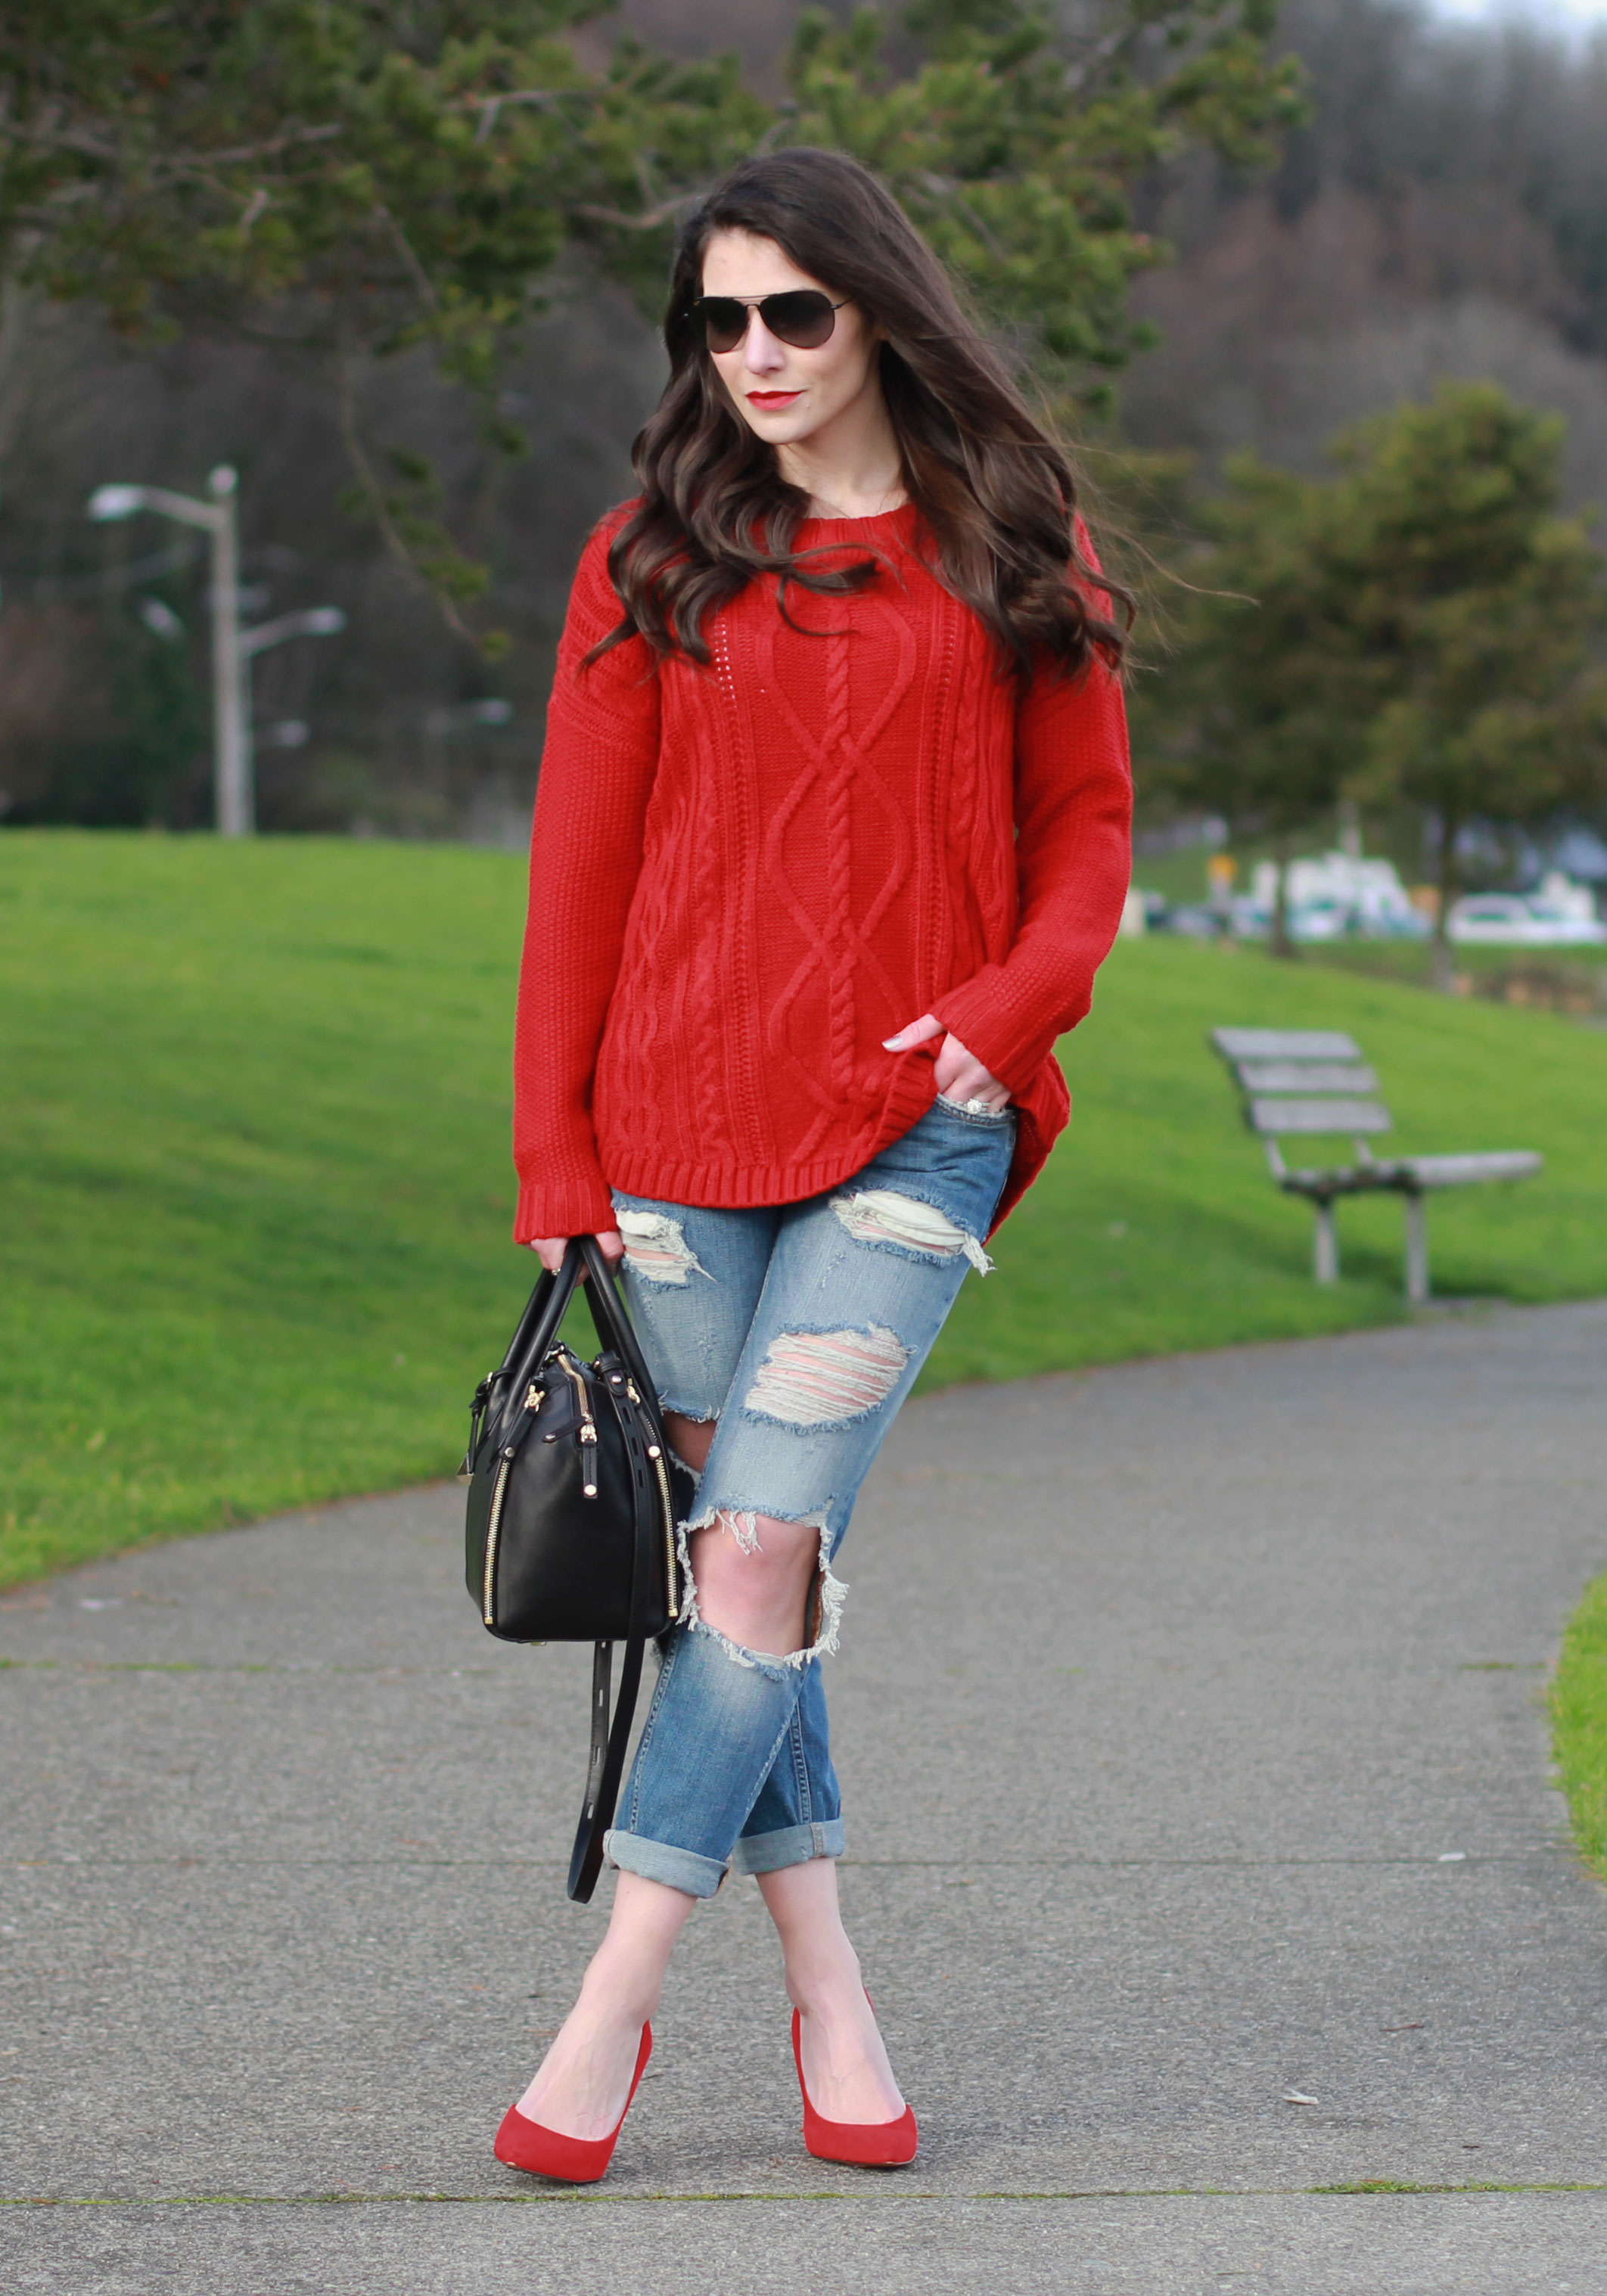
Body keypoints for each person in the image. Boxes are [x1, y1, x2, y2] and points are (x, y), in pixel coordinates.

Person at [494, 146, 1132, 2183]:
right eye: (718, 318)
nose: (752, 352)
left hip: (918, 1124)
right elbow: (575, 880)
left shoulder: (1016, 540)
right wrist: (553, 1148)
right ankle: (833, 1986)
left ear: (875, 311)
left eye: (792, 311)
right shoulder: (649, 555)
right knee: (734, 1582)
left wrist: (1006, 1011)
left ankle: (607, 2006)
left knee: (753, 1552)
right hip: (672, 1134)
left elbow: (1088, 840)